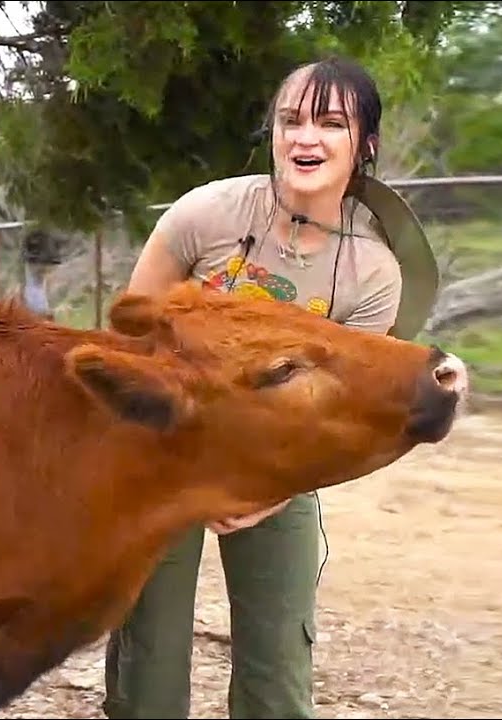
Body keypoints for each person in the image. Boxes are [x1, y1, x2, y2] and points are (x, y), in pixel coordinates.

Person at [102, 55, 438, 719]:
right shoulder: (206, 215)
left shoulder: (374, 273)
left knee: (279, 666)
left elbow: (354, 411)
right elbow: (130, 338)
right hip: (163, 457)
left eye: (329, 123)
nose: (304, 137)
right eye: (290, 120)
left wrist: (274, 492)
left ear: (363, 144)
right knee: (149, 659)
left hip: (279, 471)